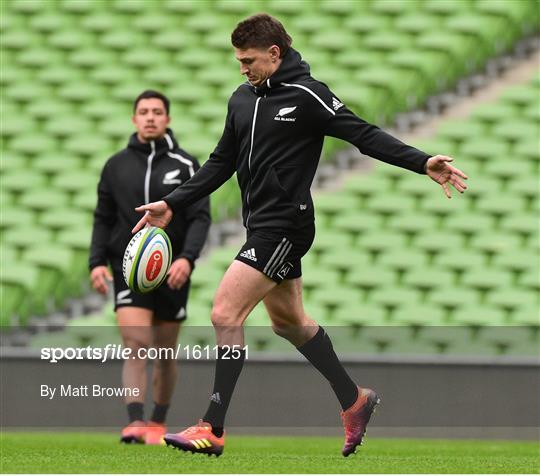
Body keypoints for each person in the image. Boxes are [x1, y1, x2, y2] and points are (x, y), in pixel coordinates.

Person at [132, 15, 468, 456]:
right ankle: (354, 399)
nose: (242, 69)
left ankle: (212, 427)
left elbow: (363, 135)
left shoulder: (309, 95)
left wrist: (422, 161)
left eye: (249, 60)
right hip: (262, 225)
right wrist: (173, 202)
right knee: (289, 324)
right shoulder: (241, 99)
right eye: (238, 61)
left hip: (285, 226)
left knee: (224, 313)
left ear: (275, 53)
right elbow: (219, 163)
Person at [89, 90, 211, 445]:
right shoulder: (115, 166)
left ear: (168, 119)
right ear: (134, 119)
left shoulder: (187, 165)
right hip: (129, 269)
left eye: (158, 111)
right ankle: (135, 420)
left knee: (164, 351)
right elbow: (103, 218)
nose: (151, 117)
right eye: (144, 112)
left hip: (171, 270)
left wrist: (187, 258)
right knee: (136, 342)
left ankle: (158, 421)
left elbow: (201, 216)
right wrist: (97, 262)